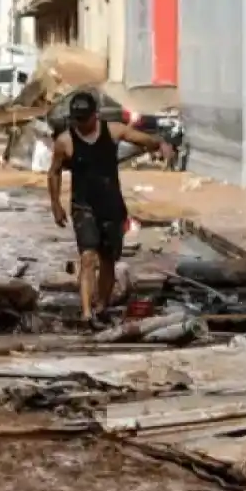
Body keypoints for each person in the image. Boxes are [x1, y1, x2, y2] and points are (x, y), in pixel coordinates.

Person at [47, 90, 171, 327]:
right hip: (83, 206)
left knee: (108, 261)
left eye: (85, 119)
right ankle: (86, 313)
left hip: (112, 206)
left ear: (95, 115)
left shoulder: (113, 130)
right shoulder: (65, 141)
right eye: (77, 120)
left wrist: (161, 144)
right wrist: (55, 205)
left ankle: (101, 307)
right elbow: (53, 172)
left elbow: (143, 139)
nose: (81, 124)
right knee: (87, 258)